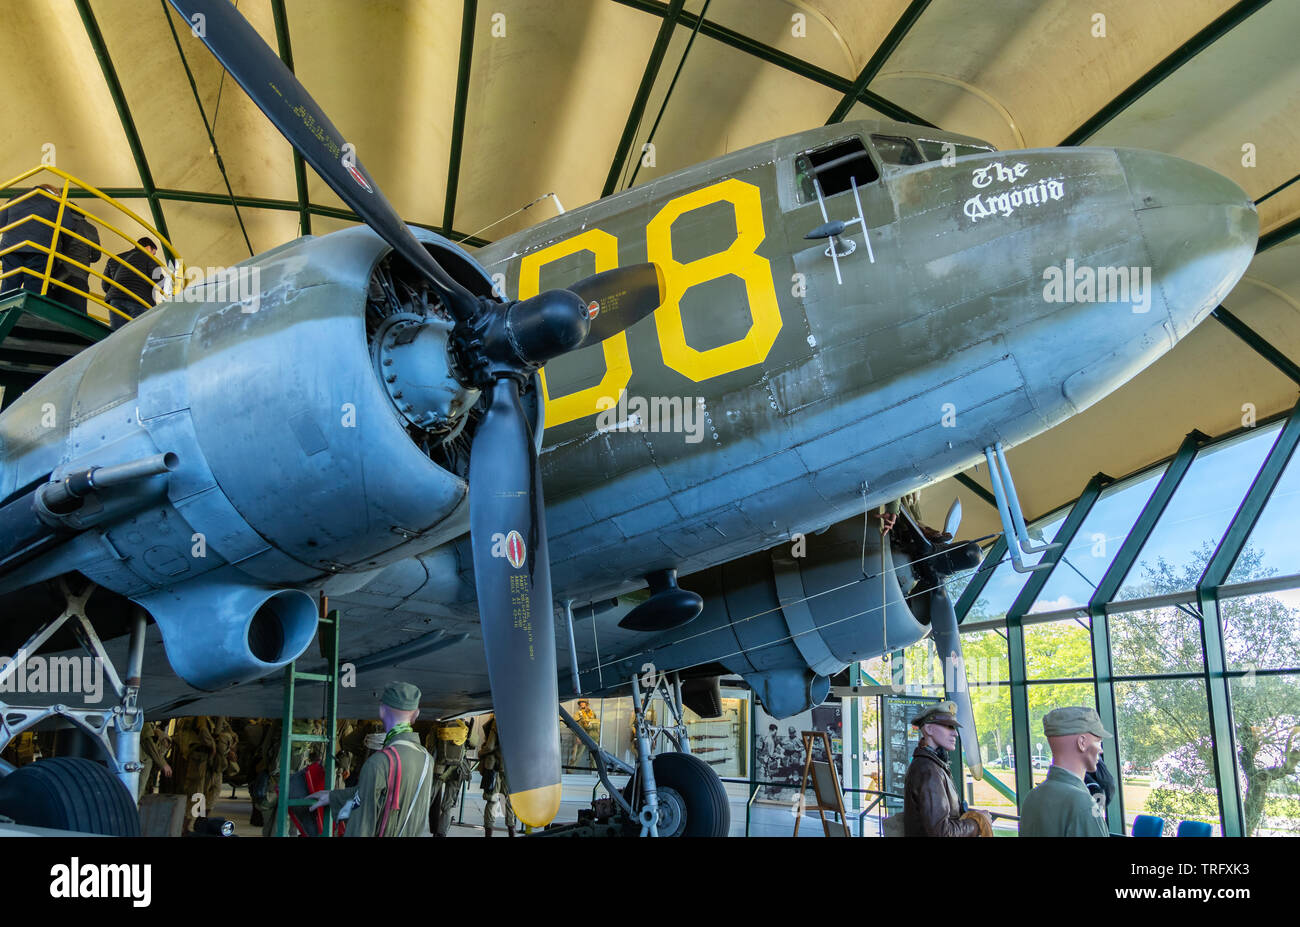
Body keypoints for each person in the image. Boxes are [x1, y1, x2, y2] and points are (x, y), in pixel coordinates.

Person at [308, 682, 434, 837]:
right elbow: (377, 796)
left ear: (382, 711)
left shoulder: (380, 762)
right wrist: (333, 797)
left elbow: (362, 823)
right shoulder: (427, 759)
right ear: (416, 714)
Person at [1018, 707, 1110, 837]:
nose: (1101, 750)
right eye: (1098, 742)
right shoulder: (1083, 805)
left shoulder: (1032, 797)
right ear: (1082, 742)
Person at [902, 702, 990, 837]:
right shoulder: (928, 770)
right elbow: (942, 832)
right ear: (929, 729)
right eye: (949, 726)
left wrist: (974, 816)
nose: (955, 734)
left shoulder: (932, 765)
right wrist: (977, 823)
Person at [0, 185, 62, 296]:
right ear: (55, 193)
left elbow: (1, 222)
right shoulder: (56, 202)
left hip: (11, 248)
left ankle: (4, 305)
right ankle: (29, 305)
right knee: (33, 285)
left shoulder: (15, 198)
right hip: (39, 248)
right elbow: (68, 226)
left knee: (10, 283)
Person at [425, 718, 471, 837]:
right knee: (448, 805)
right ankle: (441, 833)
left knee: (427, 799)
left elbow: (430, 747)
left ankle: (416, 827)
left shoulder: (438, 725)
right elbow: (473, 744)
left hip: (439, 768)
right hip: (458, 769)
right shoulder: (465, 726)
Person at [52, 206, 99, 314]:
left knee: (52, 313)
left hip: (56, 275)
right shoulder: (90, 228)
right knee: (77, 314)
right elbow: (97, 256)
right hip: (79, 277)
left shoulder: (58, 222)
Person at [104, 236, 158, 329]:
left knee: (118, 333)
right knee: (139, 332)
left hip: (116, 299)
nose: (153, 256)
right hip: (139, 300)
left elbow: (105, 285)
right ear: (148, 248)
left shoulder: (114, 259)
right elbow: (160, 281)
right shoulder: (148, 258)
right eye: (154, 253)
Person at [478, 714, 515, 837]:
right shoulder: (517, 721)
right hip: (509, 768)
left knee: (492, 801)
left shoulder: (498, 721)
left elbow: (489, 746)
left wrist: (480, 753)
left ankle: (488, 834)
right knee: (508, 802)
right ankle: (512, 832)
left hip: (494, 768)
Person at [138, 720, 172, 798]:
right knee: (137, 792)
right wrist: (163, 764)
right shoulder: (145, 722)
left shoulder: (150, 723)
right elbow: (148, 743)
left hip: (145, 762)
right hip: (142, 762)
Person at [569, 699, 600, 769]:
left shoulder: (592, 713)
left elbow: (596, 724)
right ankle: (570, 770)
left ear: (587, 703)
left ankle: (596, 770)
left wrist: (598, 735)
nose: (582, 704)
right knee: (577, 755)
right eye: (581, 702)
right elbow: (574, 726)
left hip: (593, 736)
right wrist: (577, 736)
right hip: (582, 736)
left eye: (583, 702)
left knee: (594, 756)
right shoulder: (578, 714)